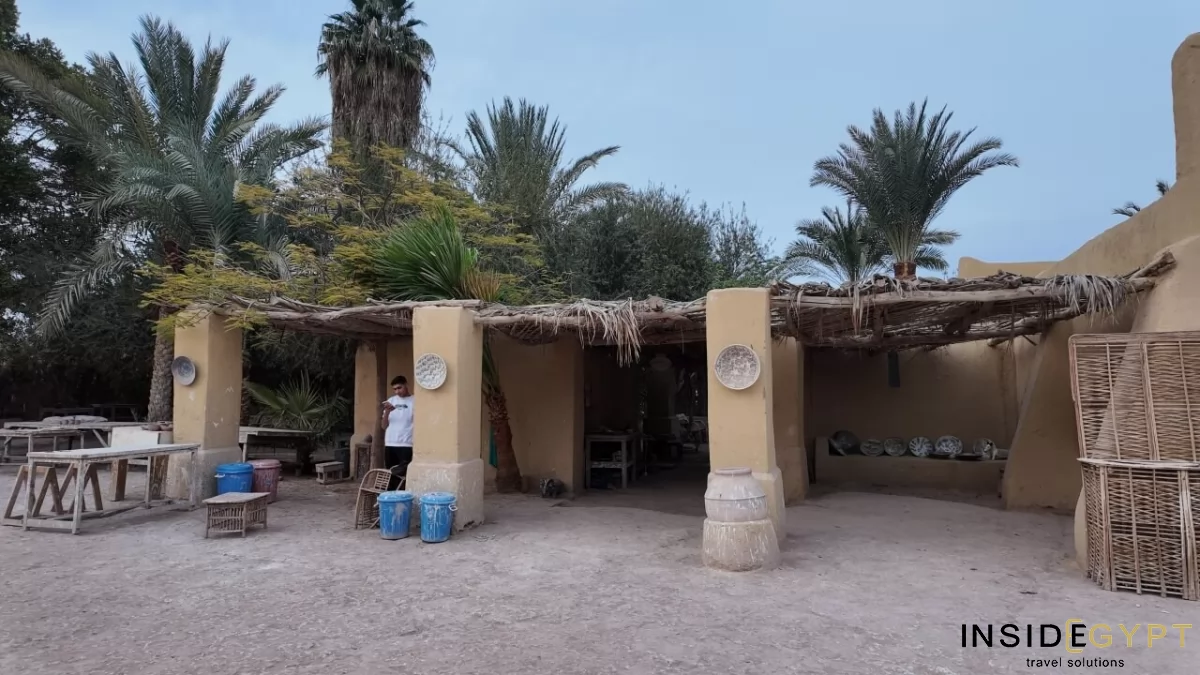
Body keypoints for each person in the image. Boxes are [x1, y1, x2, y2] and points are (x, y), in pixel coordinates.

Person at [381, 375, 414, 486]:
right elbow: (384, 426)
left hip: (406, 444)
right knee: (391, 475)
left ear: (406, 385)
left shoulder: (414, 401)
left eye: (399, 388)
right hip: (390, 443)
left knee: (404, 476)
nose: (397, 391)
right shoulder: (391, 401)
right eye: (394, 389)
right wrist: (387, 412)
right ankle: (392, 499)